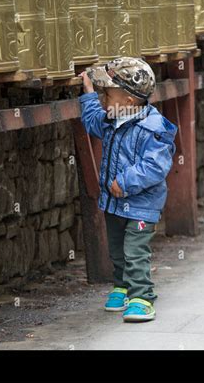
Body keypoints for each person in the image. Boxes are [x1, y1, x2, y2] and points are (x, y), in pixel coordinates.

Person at [79, 57, 177, 322]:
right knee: (117, 250)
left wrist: (125, 182)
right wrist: (88, 93)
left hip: (141, 207)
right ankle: (122, 287)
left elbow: (155, 166)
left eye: (107, 95)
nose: (103, 101)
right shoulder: (113, 119)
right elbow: (91, 122)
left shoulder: (153, 129)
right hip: (115, 204)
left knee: (135, 251)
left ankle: (143, 297)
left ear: (129, 101)